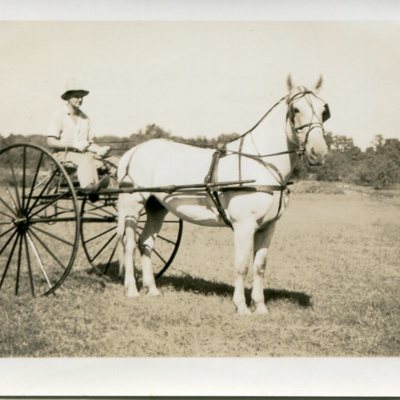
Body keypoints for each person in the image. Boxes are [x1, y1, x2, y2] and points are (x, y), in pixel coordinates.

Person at [47, 78, 112, 193]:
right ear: (68, 97)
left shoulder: (85, 118)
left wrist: (99, 150)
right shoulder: (58, 115)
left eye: (82, 97)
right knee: (86, 159)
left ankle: (121, 187)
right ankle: (89, 187)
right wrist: (74, 145)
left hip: (83, 155)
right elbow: (50, 142)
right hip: (63, 156)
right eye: (77, 96)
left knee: (111, 161)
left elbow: (89, 144)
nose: (80, 99)